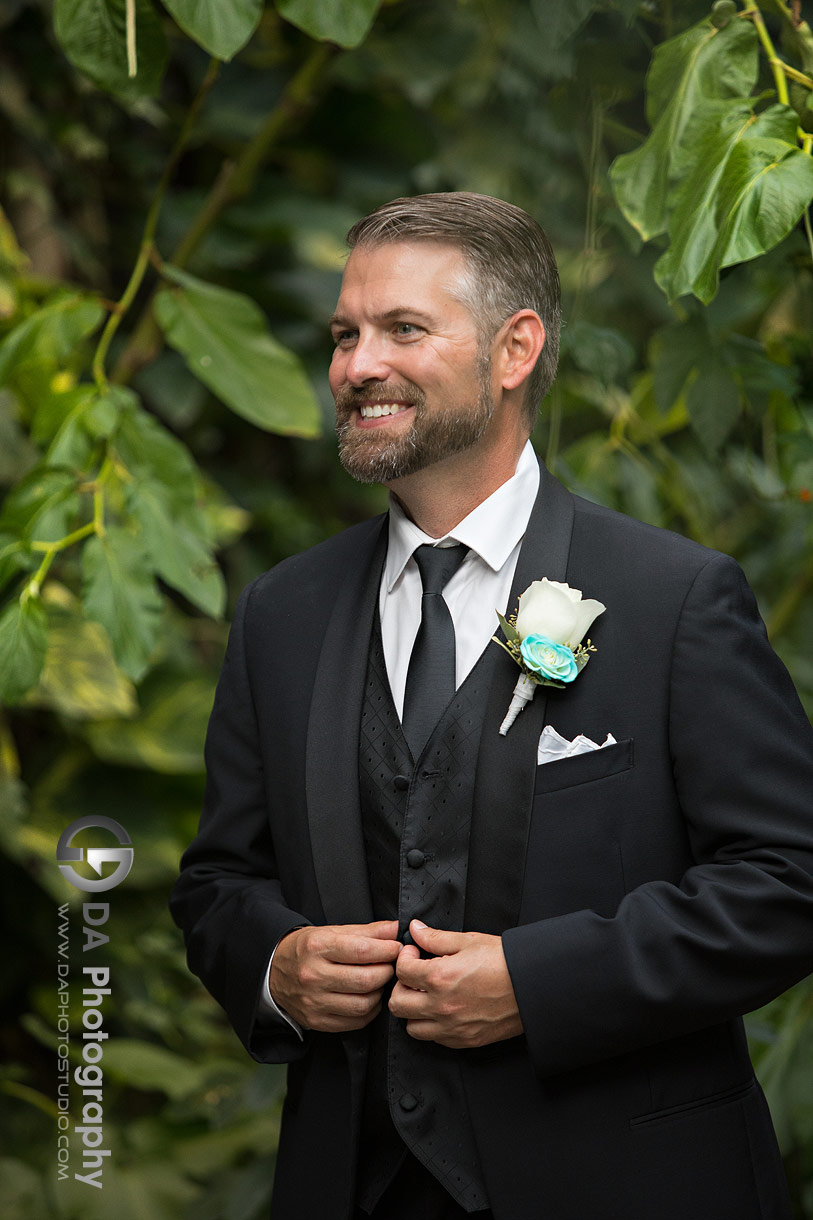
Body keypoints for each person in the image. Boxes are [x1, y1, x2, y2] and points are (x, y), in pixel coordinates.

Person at [170, 192, 813, 1220]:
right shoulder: (279, 613)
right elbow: (217, 884)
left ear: (515, 350)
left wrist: (543, 980)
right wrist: (275, 965)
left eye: (403, 330)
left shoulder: (672, 598)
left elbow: (791, 879)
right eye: (345, 334)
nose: (356, 364)